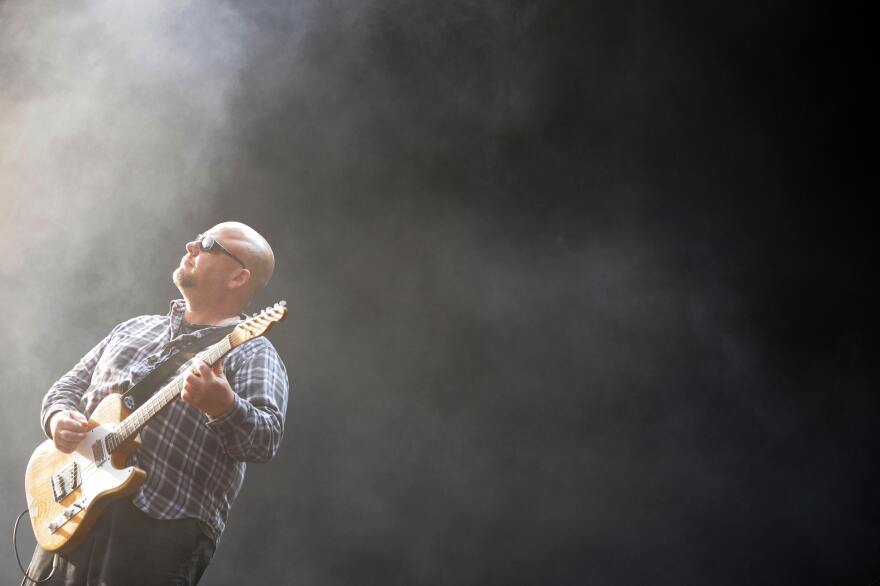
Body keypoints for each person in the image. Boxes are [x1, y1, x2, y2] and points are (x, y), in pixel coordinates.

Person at [25, 222, 289, 585]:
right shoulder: (133, 328)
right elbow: (66, 388)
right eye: (197, 238)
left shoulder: (252, 350)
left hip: (160, 530)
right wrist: (57, 419)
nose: (191, 245)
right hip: (72, 512)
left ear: (238, 277)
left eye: (208, 244)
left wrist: (223, 406)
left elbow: (265, 440)